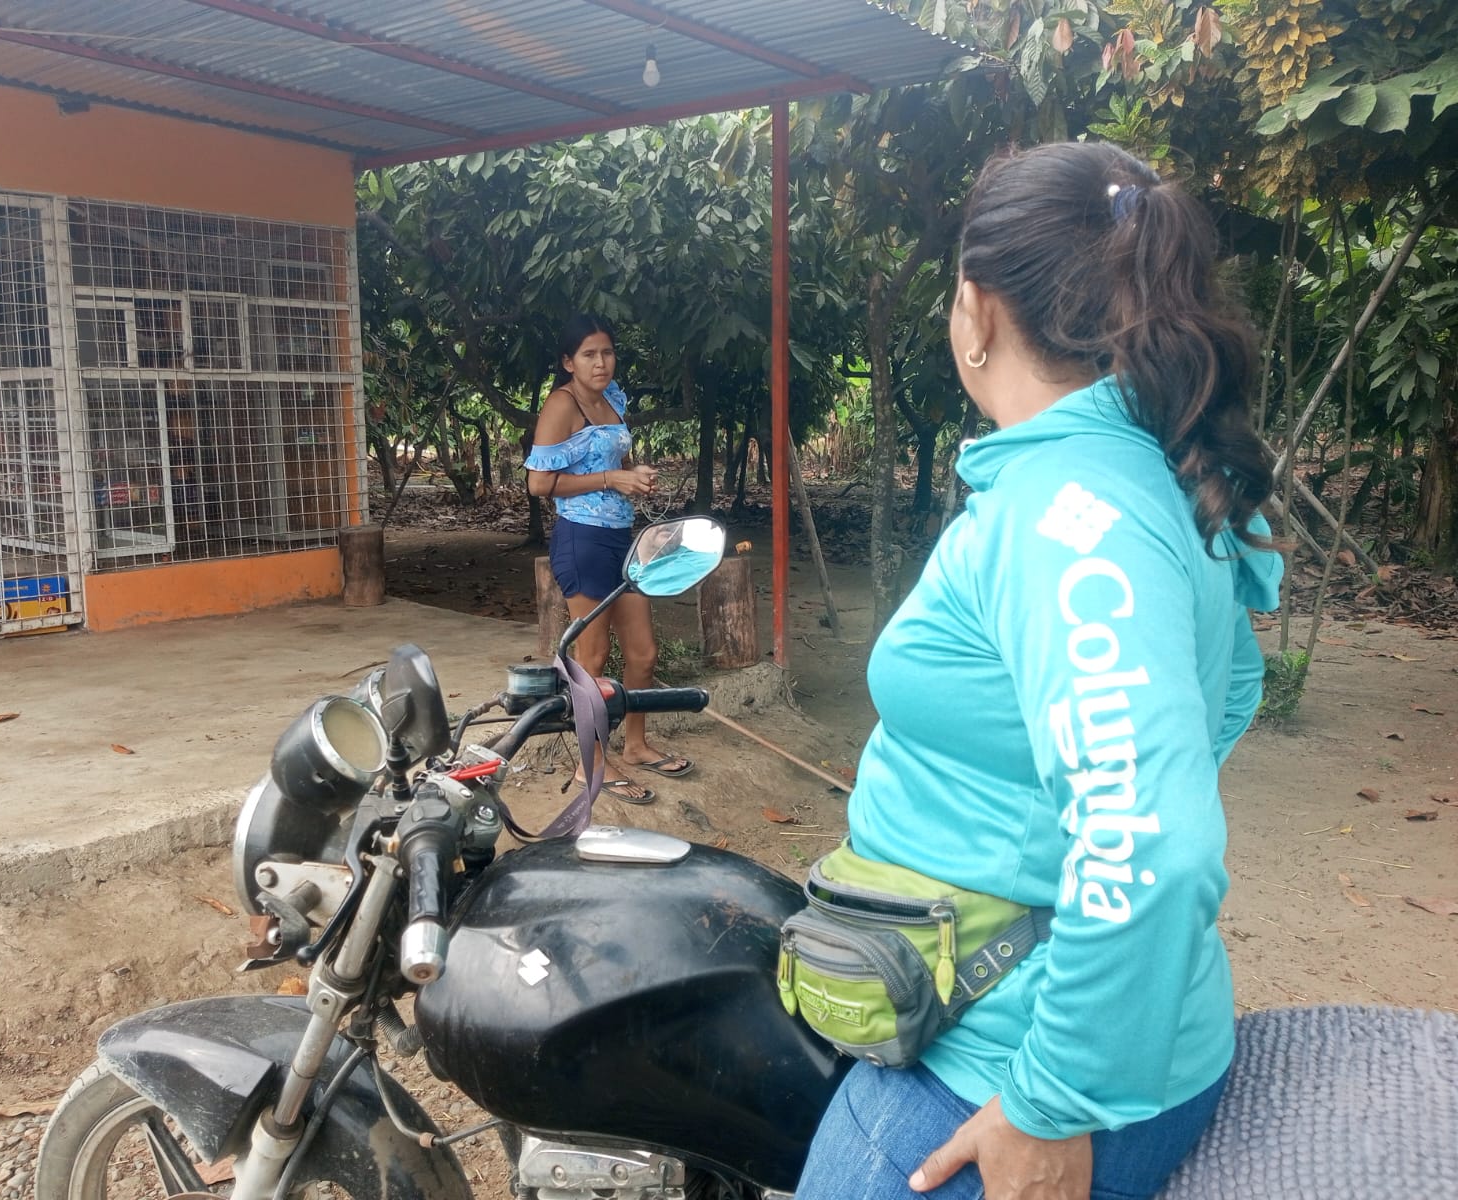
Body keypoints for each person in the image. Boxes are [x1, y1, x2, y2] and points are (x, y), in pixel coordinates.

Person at [795, 142, 1283, 1200]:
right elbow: (1231, 691)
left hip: (997, 1058)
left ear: (975, 311)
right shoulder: (1145, 473)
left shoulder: (1065, 517)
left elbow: (1148, 840)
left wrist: (1048, 1099)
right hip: (994, 998)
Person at [526, 314, 696, 803]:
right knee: (593, 659)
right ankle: (592, 763)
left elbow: (613, 461)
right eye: (588, 355)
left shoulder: (612, 398)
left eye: (607, 352)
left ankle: (636, 745)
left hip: (622, 539)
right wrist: (610, 480)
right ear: (568, 362)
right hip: (582, 540)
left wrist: (631, 476)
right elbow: (538, 484)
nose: (600, 363)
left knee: (643, 653)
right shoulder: (562, 404)